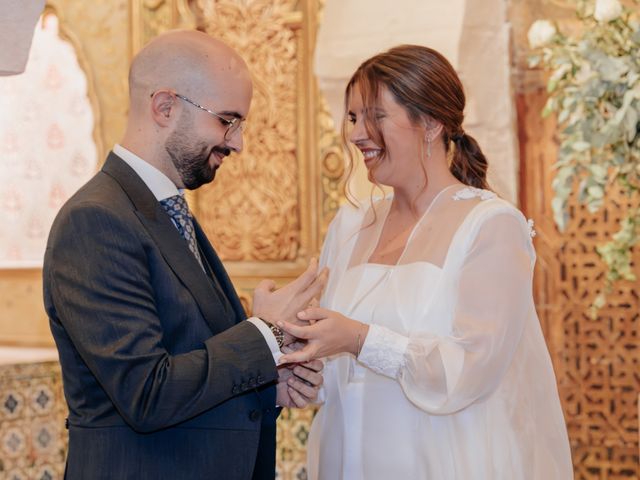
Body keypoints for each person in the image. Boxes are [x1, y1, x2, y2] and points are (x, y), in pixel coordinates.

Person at [277, 45, 574, 479]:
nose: (358, 134)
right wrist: (301, 372)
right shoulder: (348, 226)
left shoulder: (490, 225)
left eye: (376, 116)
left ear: (431, 123)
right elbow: (341, 376)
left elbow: (471, 369)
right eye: (354, 117)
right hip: (348, 460)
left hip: (445, 461)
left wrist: (360, 339)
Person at [43, 30, 326, 480]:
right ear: (165, 107)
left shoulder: (166, 211)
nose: (237, 143)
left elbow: (188, 361)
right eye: (226, 121)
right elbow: (146, 394)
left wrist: (265, 388)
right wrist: (265, 334)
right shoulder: (96, 220)